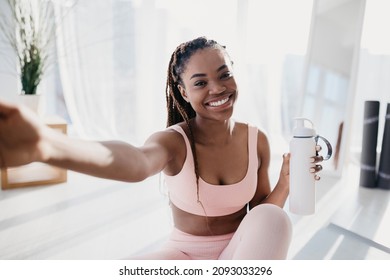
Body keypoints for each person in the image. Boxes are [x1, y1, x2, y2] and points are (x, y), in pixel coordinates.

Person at [0, 37, 323, 260]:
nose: (217, 88)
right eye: (200, 82)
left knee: (274, 220)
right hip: (183, 257)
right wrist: (49, 145)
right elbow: (137, 162)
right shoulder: (173, 141)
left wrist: (286, 182)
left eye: (224, 74)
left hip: (240, 255)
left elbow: (261, 215)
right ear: (182, 91)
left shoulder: (257, 139)